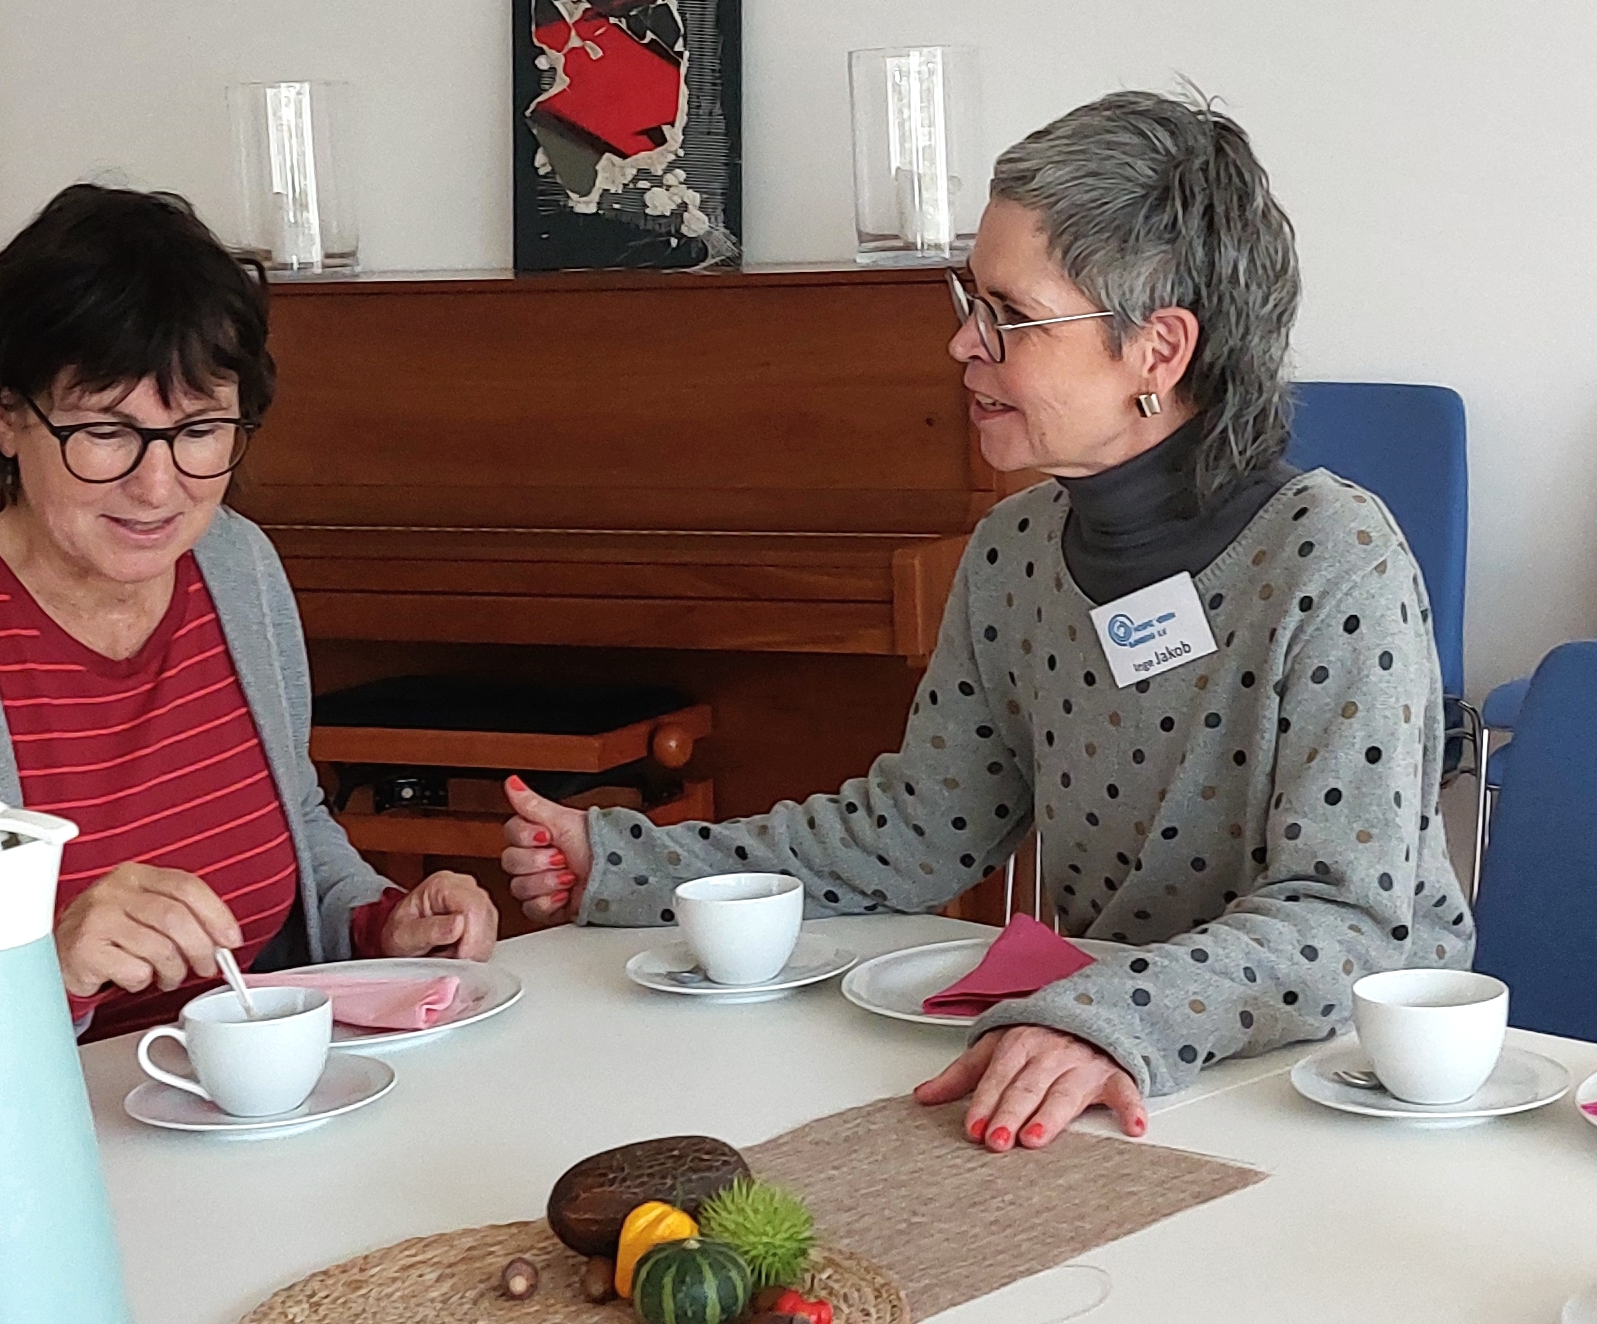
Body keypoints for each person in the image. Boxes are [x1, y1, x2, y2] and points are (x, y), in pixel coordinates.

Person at [501, 90, 1468, 1151]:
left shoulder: (1333, 555)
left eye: (1009, 314)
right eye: (970, 300)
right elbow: (914, 833)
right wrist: (628, 862)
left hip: (1329, 1088)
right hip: (1103, 1072)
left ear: (1158, 349)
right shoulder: (1012, 551)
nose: (963, 342)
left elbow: (1348, 928)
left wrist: (1106, 1015)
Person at [0, 184, 500, 1106]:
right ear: (5, 413)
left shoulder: (234, 567)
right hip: (25, 1142)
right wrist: (41, 970)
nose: (158, 489)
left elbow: (297, 836)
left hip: (242, 1120)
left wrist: (380, 925)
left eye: (200, 431)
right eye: (107, 433)